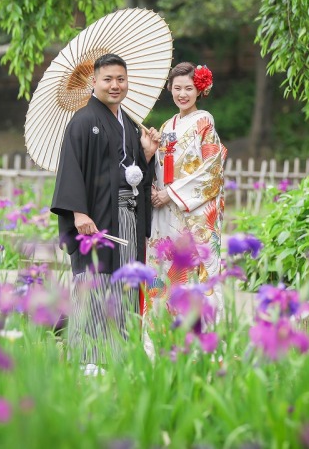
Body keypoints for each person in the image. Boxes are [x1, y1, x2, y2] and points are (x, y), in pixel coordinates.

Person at [50, 53, 159, 373]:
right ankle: (90, 356)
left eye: (121, 79)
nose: (115, 85)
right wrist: (78, 213)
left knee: (125, 279)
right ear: (93, 82)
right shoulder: (83, 121)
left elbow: (134, 173)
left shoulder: (127, 123)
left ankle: (120, 353)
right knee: (95, 281)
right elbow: (70, 170)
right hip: (96, 219)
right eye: (108, 79)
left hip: (127, 215)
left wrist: (148, 155)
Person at [144, 62, 227, 350]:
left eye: (188, 88)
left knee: (194, 271)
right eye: (177, 88)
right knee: (166, 271)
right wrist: (152, 153)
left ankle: (200, 345)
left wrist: (171, 193)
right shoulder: (167, 126)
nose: (182, 94)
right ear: (170, 89)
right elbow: (161, 167)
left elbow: (211, 169)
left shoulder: (205, 121)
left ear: (199, 90)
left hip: (193, 212)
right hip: (167, 213)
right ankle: (162, 343)